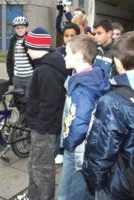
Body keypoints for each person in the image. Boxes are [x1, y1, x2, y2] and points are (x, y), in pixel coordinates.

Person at [82, 31, 134, 200]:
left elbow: (101, 151)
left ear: (117, 62)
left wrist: (95, 182)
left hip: (120, 185)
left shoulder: (113, 101)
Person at [16, 27, 68, 200]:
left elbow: (49, 104)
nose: (27, 52)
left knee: (42, 168)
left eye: (29, 48)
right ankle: (33, 195)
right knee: (35, 165)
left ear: (37, 48)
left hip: (44, 129)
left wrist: (40, 128)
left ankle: (43, 197)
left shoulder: (46, 70)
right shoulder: (46, 65)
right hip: (42, 127)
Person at [56, 34, 110, 200]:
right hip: (86, 147)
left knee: (66, 195)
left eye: (68, 53)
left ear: (78, 56)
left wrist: (68, 143)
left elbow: (80, 123)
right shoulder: (90, 77)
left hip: (77, 148)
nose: (64, 56)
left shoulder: (83, 88)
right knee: (84, 191)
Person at [55, 22, 80, 165]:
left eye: (72, 35)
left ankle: (68, 150)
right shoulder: (58, 52)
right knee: (60, 121)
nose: (69, 38)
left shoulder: (82, 52)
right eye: (66, 36)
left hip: (75, 94)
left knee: (71, 122)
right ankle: (59, 150)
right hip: (60, 93)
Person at [6, 16, 33, 98]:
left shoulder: (31, 39)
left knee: (29, 99)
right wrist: (11, 75)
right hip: (17, 76)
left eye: (22, 27)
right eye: (17, 28)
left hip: (30, 76)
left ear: (26, 28)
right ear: (14, 29)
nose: (20, 30)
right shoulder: (13, 40)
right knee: (18, 100)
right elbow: (9, 59)